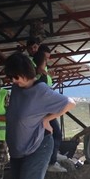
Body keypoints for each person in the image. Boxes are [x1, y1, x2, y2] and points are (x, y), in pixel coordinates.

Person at [4, 52, 75, 179]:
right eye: (11, 78)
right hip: (18, 151)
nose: (13, 81)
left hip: (38, 146)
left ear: (25, 72)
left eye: (15, 76)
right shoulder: (17, 89)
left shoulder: (41, 90)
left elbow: (70, 103)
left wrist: (47, 119)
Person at [26, 34, 65, 168]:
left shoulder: (44, 68)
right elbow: (37, 71)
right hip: (41, 106)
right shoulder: (31, 64)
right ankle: (50, 162)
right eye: (31, 48)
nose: (33, 50)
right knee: (53, 133)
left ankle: (50, 159)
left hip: (45, 104)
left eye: (35, 47)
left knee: (51, 133)